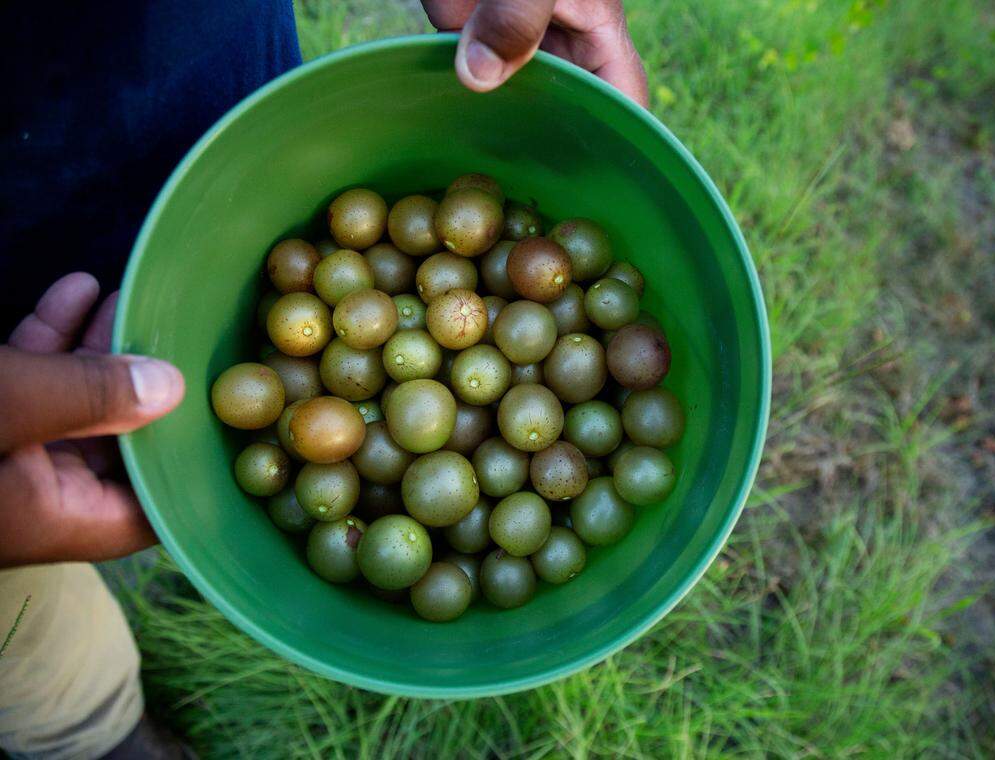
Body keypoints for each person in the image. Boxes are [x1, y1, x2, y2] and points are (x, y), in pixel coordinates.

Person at [0, 1, 646, 757]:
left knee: (41, 652)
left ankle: (90, 725)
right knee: (21, 625)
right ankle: (88, 731)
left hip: (192, 71)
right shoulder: (371, 361)